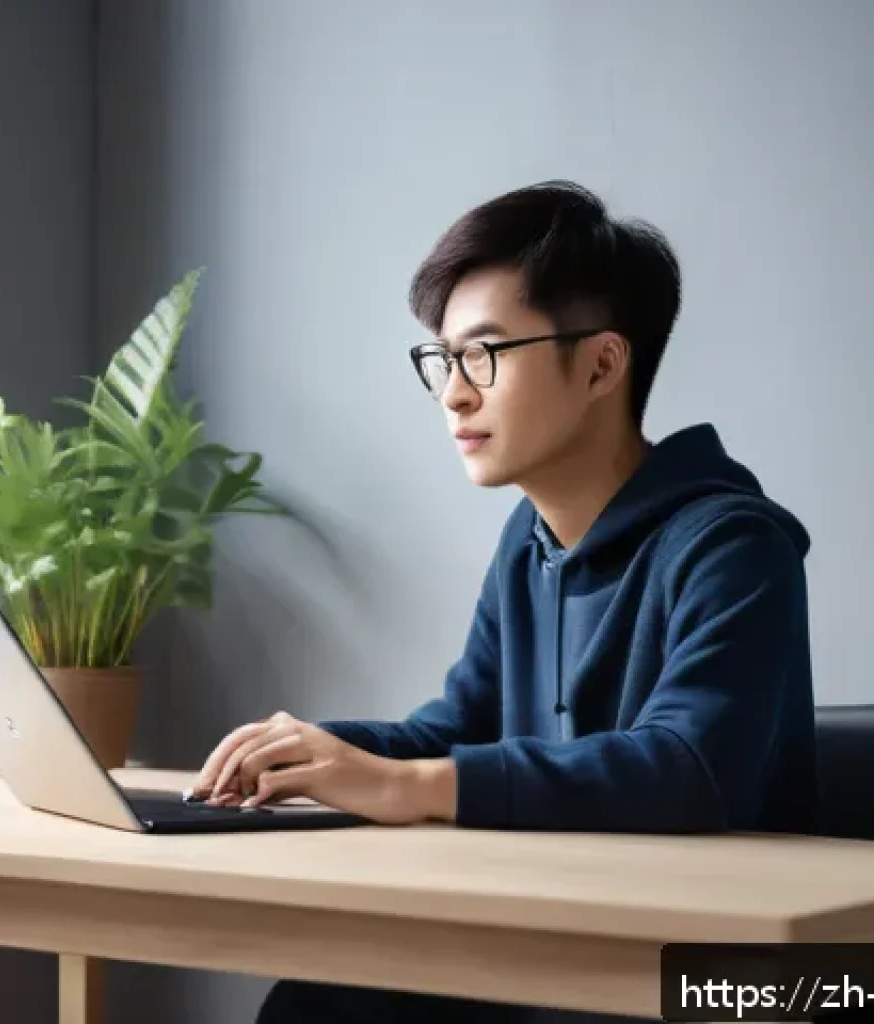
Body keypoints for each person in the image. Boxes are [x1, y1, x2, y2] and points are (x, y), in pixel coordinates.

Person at [191, 181, 819, 1023]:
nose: (454, 393)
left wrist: (406, 784)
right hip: (566, 940)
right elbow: (457, 729)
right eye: (443, 360)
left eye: (484, 354)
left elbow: (688, 770)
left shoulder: (734, 545)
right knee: (316, 1004)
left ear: (601, 363)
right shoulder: (531, 544)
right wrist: (310, 754)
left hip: (721, 980)